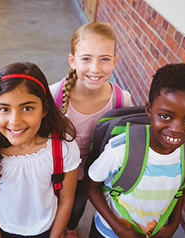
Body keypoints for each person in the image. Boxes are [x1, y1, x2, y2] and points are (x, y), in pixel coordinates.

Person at [83, 63, 185, 238]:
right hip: (108, 231)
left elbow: (179, 187)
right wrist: (119, 229)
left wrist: (173, 225)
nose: (176, 129)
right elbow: (90, 185)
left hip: (156, 231)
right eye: (165, 116)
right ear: (150, 110)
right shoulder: (121, 150)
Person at [0, 62, 81, 238]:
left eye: (27, 108)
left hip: (48, 230)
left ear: (44, 109)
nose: (15, 121)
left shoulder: (64, 148)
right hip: (3, 230)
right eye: (4, 109)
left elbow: (66, 201)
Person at [49, 22, 132, 237]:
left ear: (114, 61)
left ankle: (70, 227)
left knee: (77, 206)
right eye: (86, 58)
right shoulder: (53, 95)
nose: (95, 68)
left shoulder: (122, 100)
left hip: (91, 173)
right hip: (54, 170)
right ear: (72, 60)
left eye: (104, 59)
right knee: (51, 204)